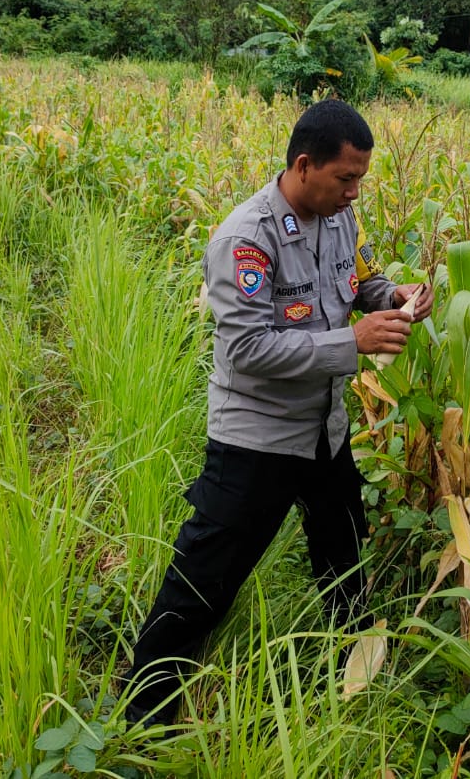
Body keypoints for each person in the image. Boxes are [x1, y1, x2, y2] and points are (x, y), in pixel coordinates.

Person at [124, 99, 434, 726]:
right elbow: (247, 348)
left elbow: (358, 281)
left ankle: (356, 673)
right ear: (304, 165)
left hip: (324, 429)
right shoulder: (247, 239)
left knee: (343, 552)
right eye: (345, 178)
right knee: (206, 576)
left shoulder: (340, 219)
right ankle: (141, 713)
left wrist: (392, 295)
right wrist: (353, 342)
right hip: (257, 438)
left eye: (360, 179)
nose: (354, 191)